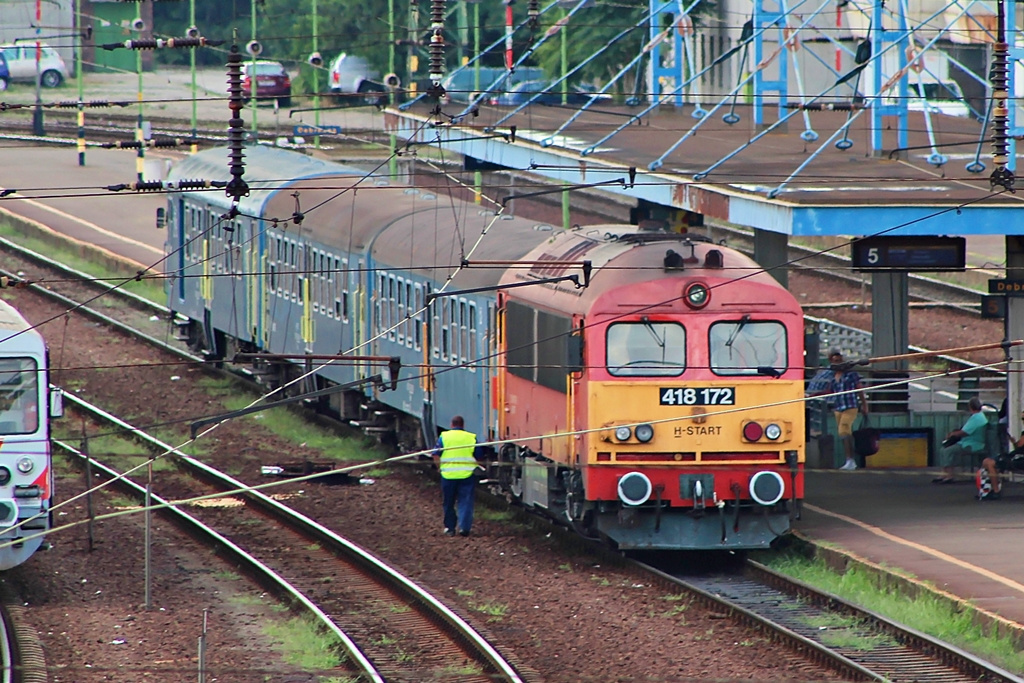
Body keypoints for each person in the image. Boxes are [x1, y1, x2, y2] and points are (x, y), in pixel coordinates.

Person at [817, 348, 869, 470]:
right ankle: (849, 459)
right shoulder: (833, 376)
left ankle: (851, 460)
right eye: (834, 361)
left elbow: (859, 389)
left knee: (844, 429)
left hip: (850, 405)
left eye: (838, 360)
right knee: (843, 433)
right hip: (838, 406)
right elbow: (829, 391)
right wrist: (813, 395)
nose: (837, 363)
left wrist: (864, 405)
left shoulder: (851, 374)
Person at [432, 415, 482, 537]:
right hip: (466, 475)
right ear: (463, 425)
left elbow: (435, 454)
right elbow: (479, 455)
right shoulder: (471, 437)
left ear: (451, 425)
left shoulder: (444, 437)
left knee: (448, 502)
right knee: (465, 501)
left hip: (448, 475)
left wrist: (439, 467)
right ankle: (464, 528)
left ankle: (450, 528)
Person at [935, 396, 988, 484]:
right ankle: (944, 473)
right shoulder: (981, 416)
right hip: (971, 442)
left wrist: (952, 434)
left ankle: (949, 475)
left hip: (972, 444)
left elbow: (965, 432)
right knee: (943, 449)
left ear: (970, 407)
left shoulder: (976, 418)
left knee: (948, 450)